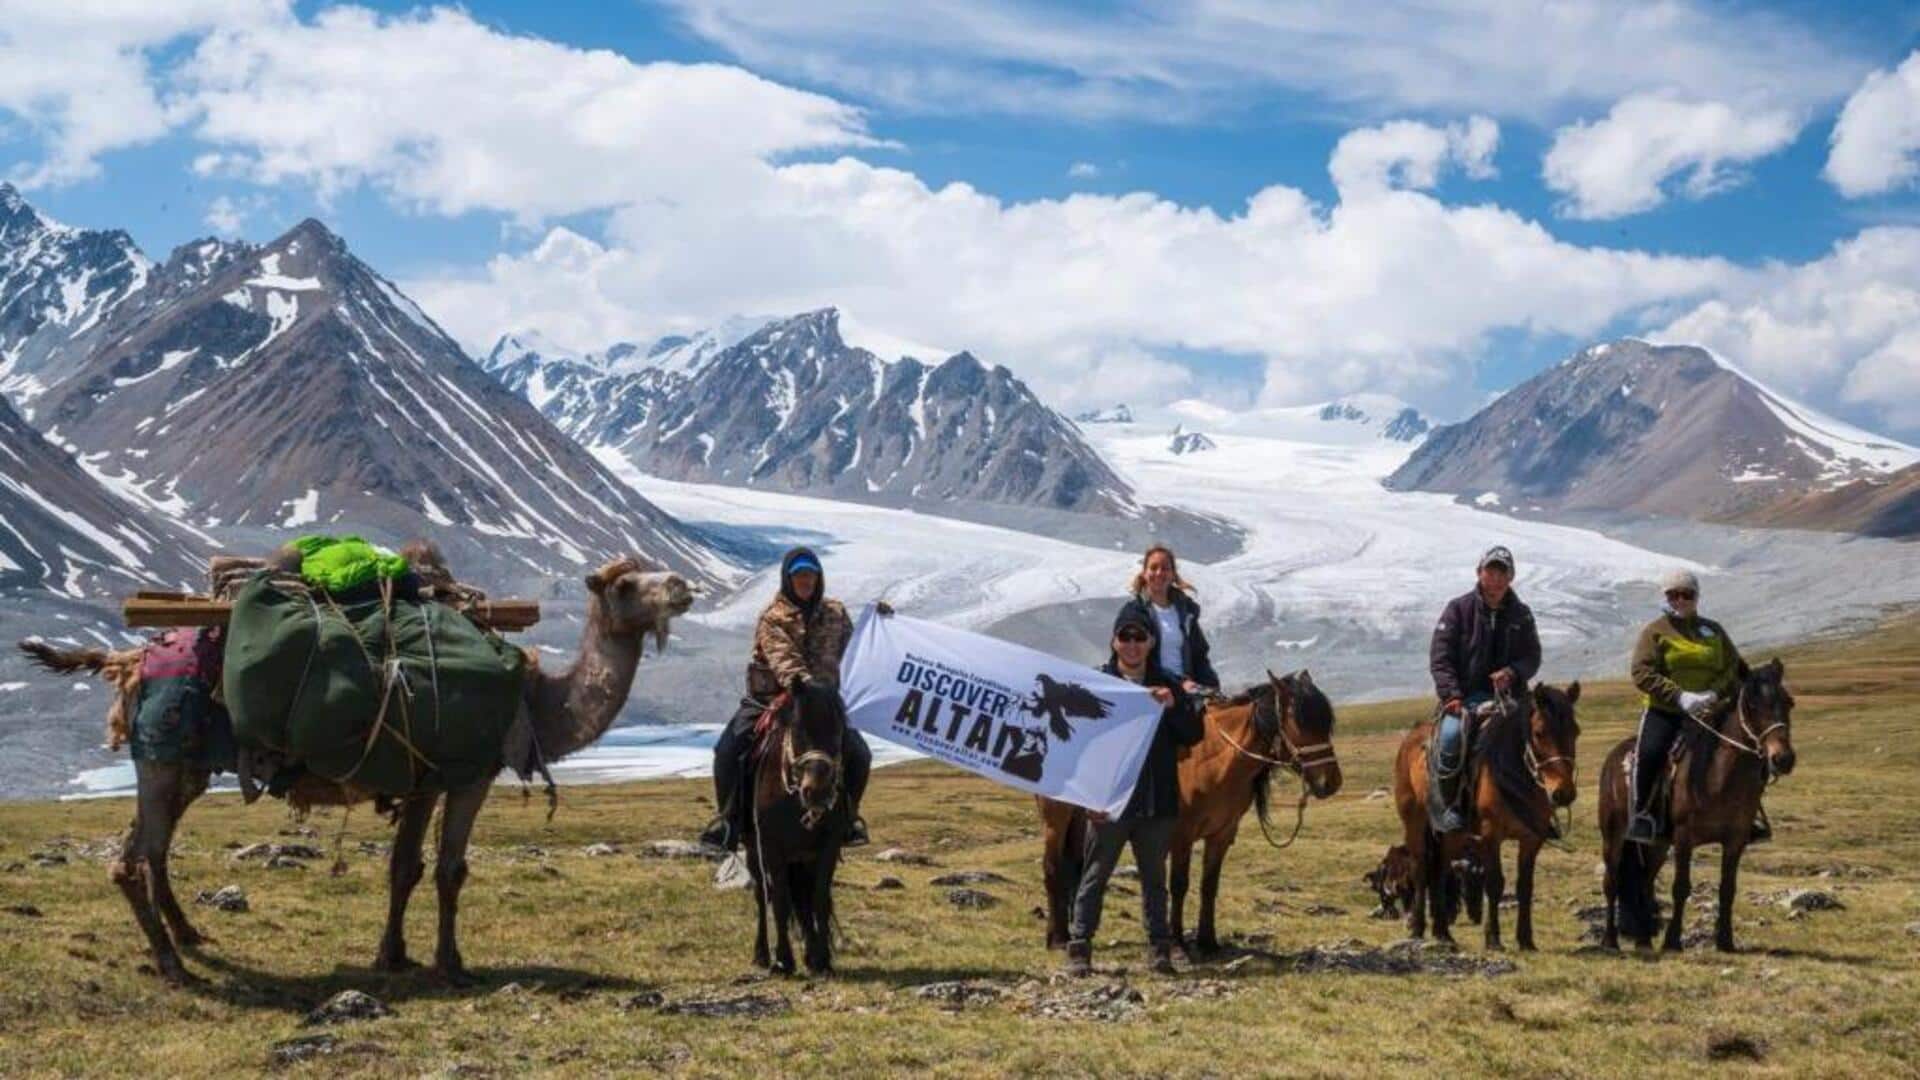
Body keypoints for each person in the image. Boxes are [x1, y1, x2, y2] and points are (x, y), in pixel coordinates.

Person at [700, 547, 875, 851]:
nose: (805, 581)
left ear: (818, 577)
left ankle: (849, 820)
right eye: (799, 575)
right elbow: (784, 661)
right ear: (788, 579)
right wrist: (806, 688)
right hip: (772, 700)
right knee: (728, 749)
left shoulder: (835, 612)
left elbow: (857, 647)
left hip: (825, 706)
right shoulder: (773, 617)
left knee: (860, 754)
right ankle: (727, 821)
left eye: (810, 575)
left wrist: (879, 623)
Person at [1064, 607, 1204, 978]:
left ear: (1151, 642)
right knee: (1095, 875)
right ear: (1113, 642)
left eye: (1139, 637)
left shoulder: (1169, 684)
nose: (1132, 644)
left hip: (1157, 800)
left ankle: (1159, 951)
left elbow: (1193, 734)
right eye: (1124, 637)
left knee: (1155, 881)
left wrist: (1173, 707)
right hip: (1108, 801)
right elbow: (1079, 742)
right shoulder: (1098, 683)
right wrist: (1086, 796)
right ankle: (1080, 947)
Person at [1626, 569, 1752, 845]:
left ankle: (1748, 814)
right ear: (1666, 597)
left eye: (1687, 594)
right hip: (1666, 711)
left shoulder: (1714, 630)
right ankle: (1643, 814)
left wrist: (1714, 693)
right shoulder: (1655, 631)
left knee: (1748, 751)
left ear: (1697, 597)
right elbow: (1641, 672)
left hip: (1712, 711)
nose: (1680, 600)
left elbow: (1733, 665)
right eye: (1674, 595)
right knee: (1650, 753)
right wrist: (1679, 696)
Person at [1426, 545, 1541, 833]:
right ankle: (1448, 806)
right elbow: (1440, 657)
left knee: (1542, 738)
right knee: (1451, 739)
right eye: (1491, 572)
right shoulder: (1458, 610)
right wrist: (1451, 695)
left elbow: (1532, 656)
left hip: (1511, 698)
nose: (1496, 579)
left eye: (1503, 573)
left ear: (1511, 577)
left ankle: (1539, 809)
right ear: (1479, 573)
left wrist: (1512, 673)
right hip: (1464, 699)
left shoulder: (1522, 615)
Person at [1118, 544, 1220, 696]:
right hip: (1151, 692)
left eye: (1165, 568)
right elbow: (1131, 659)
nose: (1159, 573)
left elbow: (1199, 656)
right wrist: (1178, 683)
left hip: (1187, 691)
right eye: (1153, 568)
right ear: (1144, 573)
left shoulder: (1186, 612)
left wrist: (1212, 689)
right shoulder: (1133, 613)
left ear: (1173, 574)